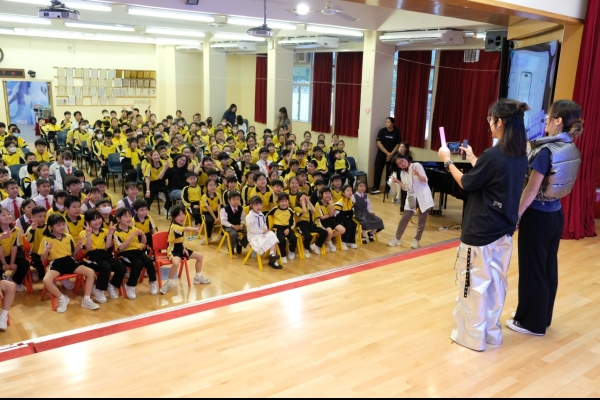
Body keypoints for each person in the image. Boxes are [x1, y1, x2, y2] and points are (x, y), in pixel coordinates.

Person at [437, 98, 529, 352]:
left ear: (499, 122)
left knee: (473, 285)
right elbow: (490, 176)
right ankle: (490, 333)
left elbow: (467, 183)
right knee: (496, 286)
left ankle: (472, 338)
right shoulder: (519, 154)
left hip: (481, 231)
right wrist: (473, 158)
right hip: (503, 231)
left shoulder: (495, 155)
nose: (489, 124)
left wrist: (448, 161)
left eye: (491, 120)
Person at [507, 100, 583, 336]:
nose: (545, 120)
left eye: (549, 116)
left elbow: (531, 191)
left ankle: (531, 323)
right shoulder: (570, 147)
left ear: (558, 121)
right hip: (556, 215)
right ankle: (541, 317)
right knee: (548, 268)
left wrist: (516, 215)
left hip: (538, 217)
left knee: (533, 269)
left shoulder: (546, 151)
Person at [40, 214, 100, 313]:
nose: (62, 227)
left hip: (69, 261)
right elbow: (43, 259)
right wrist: (47, 250)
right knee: (46, 280)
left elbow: (73, 255)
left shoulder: (68, 237)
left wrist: (78, 247)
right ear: (51, 227)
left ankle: (86, 299)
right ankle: (62, 298)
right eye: (58, 225)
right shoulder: (46, 239)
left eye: (63, 224)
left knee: (90, 272)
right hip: (56, 263)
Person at [160, 206, 210, 295]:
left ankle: (198, 278)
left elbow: (181, 239)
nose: (182, 217)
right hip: (173, 250)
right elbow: (185, 229)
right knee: (176, 263)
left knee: (200, 257)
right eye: (179, 215)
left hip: (181, 248)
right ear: (173, 217)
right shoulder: (174, 227)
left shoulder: (179, 225)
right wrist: (195, 229)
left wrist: (184, 248)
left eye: (183, 214)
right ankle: (168, 283)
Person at [388, 155, 434, 249]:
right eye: (399, 163)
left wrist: (418, 174)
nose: (402, 163)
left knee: (422, 220)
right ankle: (397, 238)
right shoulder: (402, 173)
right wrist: (397, 182)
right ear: (398, 166)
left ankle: (416, 240)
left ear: (405, 159)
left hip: (423, 196)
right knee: (404, 218)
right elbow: (406, 188)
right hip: (412, 197)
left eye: (402, 160)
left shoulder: (416, 165)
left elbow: (425, 180)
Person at [80, 210, 125, 302]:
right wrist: (89, 235)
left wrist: (110, 233)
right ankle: (98, 289)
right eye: (94, 220)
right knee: (105, 267)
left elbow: (107, 246)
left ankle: (111, 285)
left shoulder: (104, 231)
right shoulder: (83, 233)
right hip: (91, 257)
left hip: (104, 255)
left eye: (99, 218)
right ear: (88, 222)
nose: (97, 221)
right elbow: (88, 248)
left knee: (121, 267)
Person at [113, 207, 158, 299]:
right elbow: (121, 248)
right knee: (138, 264)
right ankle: (130, 285)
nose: (129, 218)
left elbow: (143, 243)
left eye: (130, 216)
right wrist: (130, 237)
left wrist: (143, 235)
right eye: (125, 216)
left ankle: (152, 281)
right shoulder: (117, 233)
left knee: (149, 262)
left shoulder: (133, 229)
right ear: (118, 219)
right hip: (125, 254)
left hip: (137, 251)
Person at [246, 196, 281, 269]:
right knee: (273, 238)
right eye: (256, 205)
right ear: (251, 205)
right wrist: (262, 231)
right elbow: (252, 230)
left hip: (261, 234)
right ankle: (272, 259)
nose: (259, 206)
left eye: (260, 204)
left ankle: (272, 256)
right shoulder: (249, 216)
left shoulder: (261, 214)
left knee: (273, 235)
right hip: (254, 237)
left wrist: (265, 229)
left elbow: (264, 224)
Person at [371, 117, 401, 195]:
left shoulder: (396, 132)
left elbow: (398, 144)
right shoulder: (382, 131)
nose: (387, 123)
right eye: (386, 122)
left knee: (389, 172)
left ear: (393, 123)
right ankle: (375, 188)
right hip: (381, 155)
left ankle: (387, 189)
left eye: (388, 122)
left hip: (392, 156)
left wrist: (391, 154)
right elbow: (378, 143)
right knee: (378, 171)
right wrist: (387, 153)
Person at [266, 192, 296, 264]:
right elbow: (266, 217)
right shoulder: (274, 209)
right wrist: (267, 227)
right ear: (278, 202)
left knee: (294, 238)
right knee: (281, 240)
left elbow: (293, 222)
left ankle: (291, 251)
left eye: (285, 201)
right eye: (282, 201)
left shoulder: (290, 210)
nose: (284, 203)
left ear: (288, 202)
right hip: (277, 227)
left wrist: (288, 228)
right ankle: (283, 255)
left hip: (287, 227)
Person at [315, 187, 345, 253]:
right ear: (321, 195)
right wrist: (329, 214)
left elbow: (331, 215)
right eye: (326, 193)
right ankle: (329, 242)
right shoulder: (318, 204)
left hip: (330, 220)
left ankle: (327, 239)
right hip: (321, 222)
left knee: (342, 230)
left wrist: (332, 206)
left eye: (329, 193)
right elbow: (322, 217)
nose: (328, 195)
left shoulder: (331, 203)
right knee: (330, 232)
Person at [334, 185, 358, 250]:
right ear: (343, 193)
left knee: (354, 224)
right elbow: (335, 215)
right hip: (339, 218)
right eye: (347, 190)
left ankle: (351, 241)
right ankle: (343, 241)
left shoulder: (351, 201)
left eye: (351, 190)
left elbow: (351, 211)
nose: (350, 192)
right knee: (348, 224)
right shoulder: (339, 203)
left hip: (347, 217)